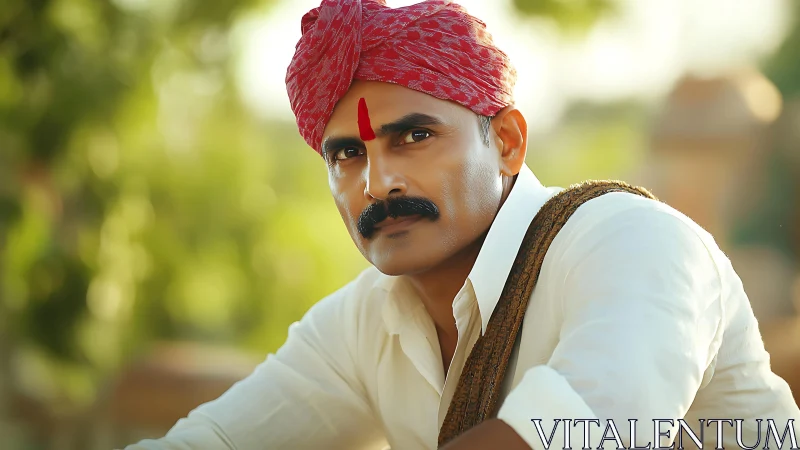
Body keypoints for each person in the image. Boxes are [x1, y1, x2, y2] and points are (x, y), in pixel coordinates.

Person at [126, 0, 800, 449]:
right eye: (347, 154)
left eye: (413, 136)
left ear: (506, 141)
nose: (377, 182)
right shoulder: (367, 322)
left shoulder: (632, 243)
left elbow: (578, 436)